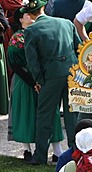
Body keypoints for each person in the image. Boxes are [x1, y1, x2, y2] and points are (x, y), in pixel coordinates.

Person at [23, 0, 81, 164]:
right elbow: (80, 47)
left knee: (45, 116)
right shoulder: (66, 23)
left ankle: (40, 156)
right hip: (72, 73)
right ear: (43, 8)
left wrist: (39, 80)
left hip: (51, 76)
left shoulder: (31, 30)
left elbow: (32, 61)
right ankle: (76, 154)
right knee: (73, 116)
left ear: (29, 14)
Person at [7, 7, 63, 162]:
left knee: (51, 112)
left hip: (45, 78)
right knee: (26, 111)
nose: (30, 16)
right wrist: (32, 82)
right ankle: (27, 149)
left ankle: (57, 149)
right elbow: (14, 63)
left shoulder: (41, 31)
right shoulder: (17, 38)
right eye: (26, 14)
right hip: (24, 80)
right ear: (20, 19)